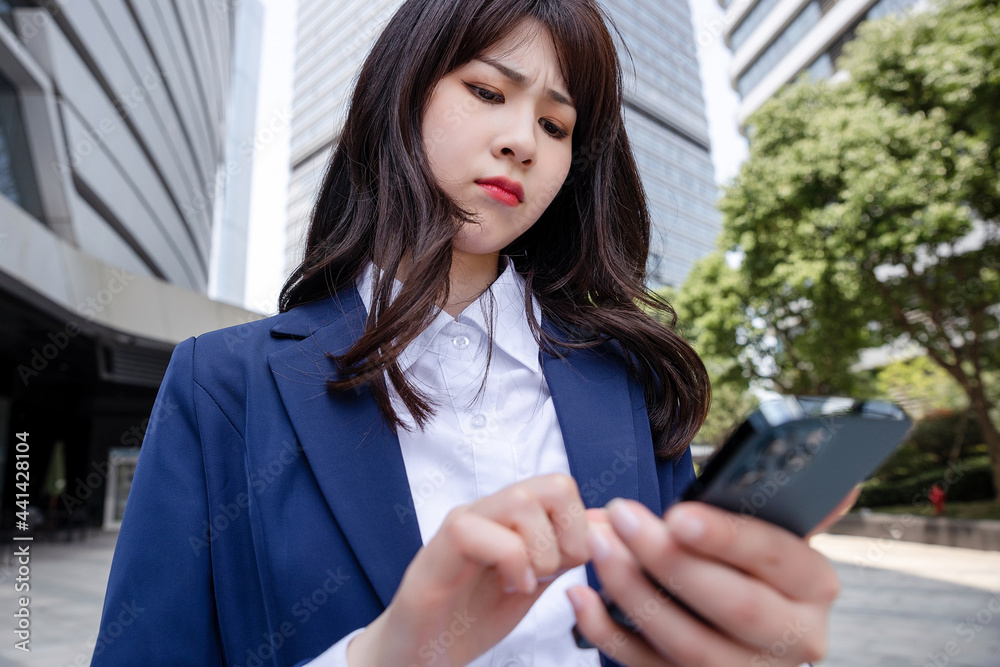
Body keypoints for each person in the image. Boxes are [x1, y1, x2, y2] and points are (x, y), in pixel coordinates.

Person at [91, 1, 853, 665]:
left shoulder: (630, 384)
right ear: (402, 94)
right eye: (488, 90)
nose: (523, 140)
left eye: (556, 125)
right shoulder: (223, 384)